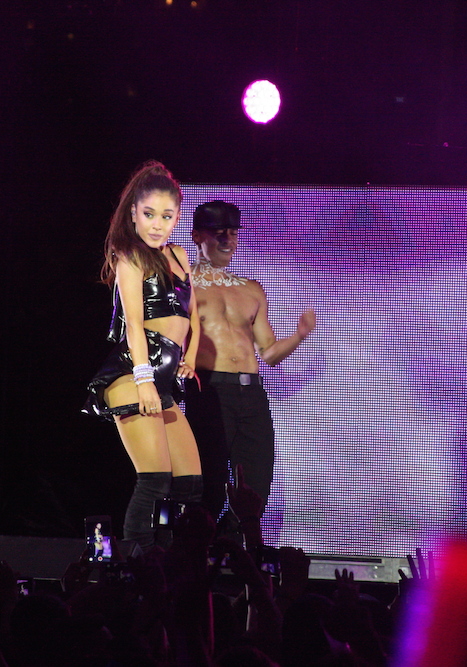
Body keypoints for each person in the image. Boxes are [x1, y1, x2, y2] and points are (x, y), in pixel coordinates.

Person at [83, 161, 203, 551]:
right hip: (135, 374)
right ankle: (138, 571)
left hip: (165, 377)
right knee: (154, 481)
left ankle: (174, 566)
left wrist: (190, 358)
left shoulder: (181, 256)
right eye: (149, 214)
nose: (157, 224)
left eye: (167, 216)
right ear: (133, 212)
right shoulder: (129, 257)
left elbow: (192, 316)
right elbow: (134, 324)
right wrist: (144, 378)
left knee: (189, 486)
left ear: (178, 217)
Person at [185, 201, 315, 538]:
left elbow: (269, 353)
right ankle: (200, 552)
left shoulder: (251, 288)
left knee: (255, 484)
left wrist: (299, 336)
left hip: (251, 394)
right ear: (198, 235)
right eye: (218, 233)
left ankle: (235, 547)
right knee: (210, 485)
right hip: (209, 391)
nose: (228, 240)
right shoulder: (184, 287)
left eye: (232, 233)